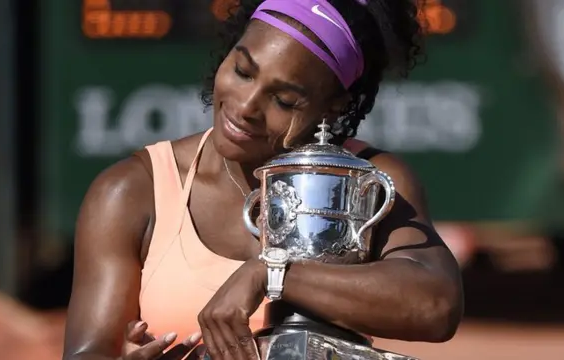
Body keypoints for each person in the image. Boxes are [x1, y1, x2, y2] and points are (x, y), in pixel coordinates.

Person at [62, 0, 464, 359]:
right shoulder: (131, 190)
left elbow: (435, 307)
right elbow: (87, 350)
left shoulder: (368, 181)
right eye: (242, 71)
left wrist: (272, 275)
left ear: (334, 105)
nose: (246, 107)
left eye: (284, 100)